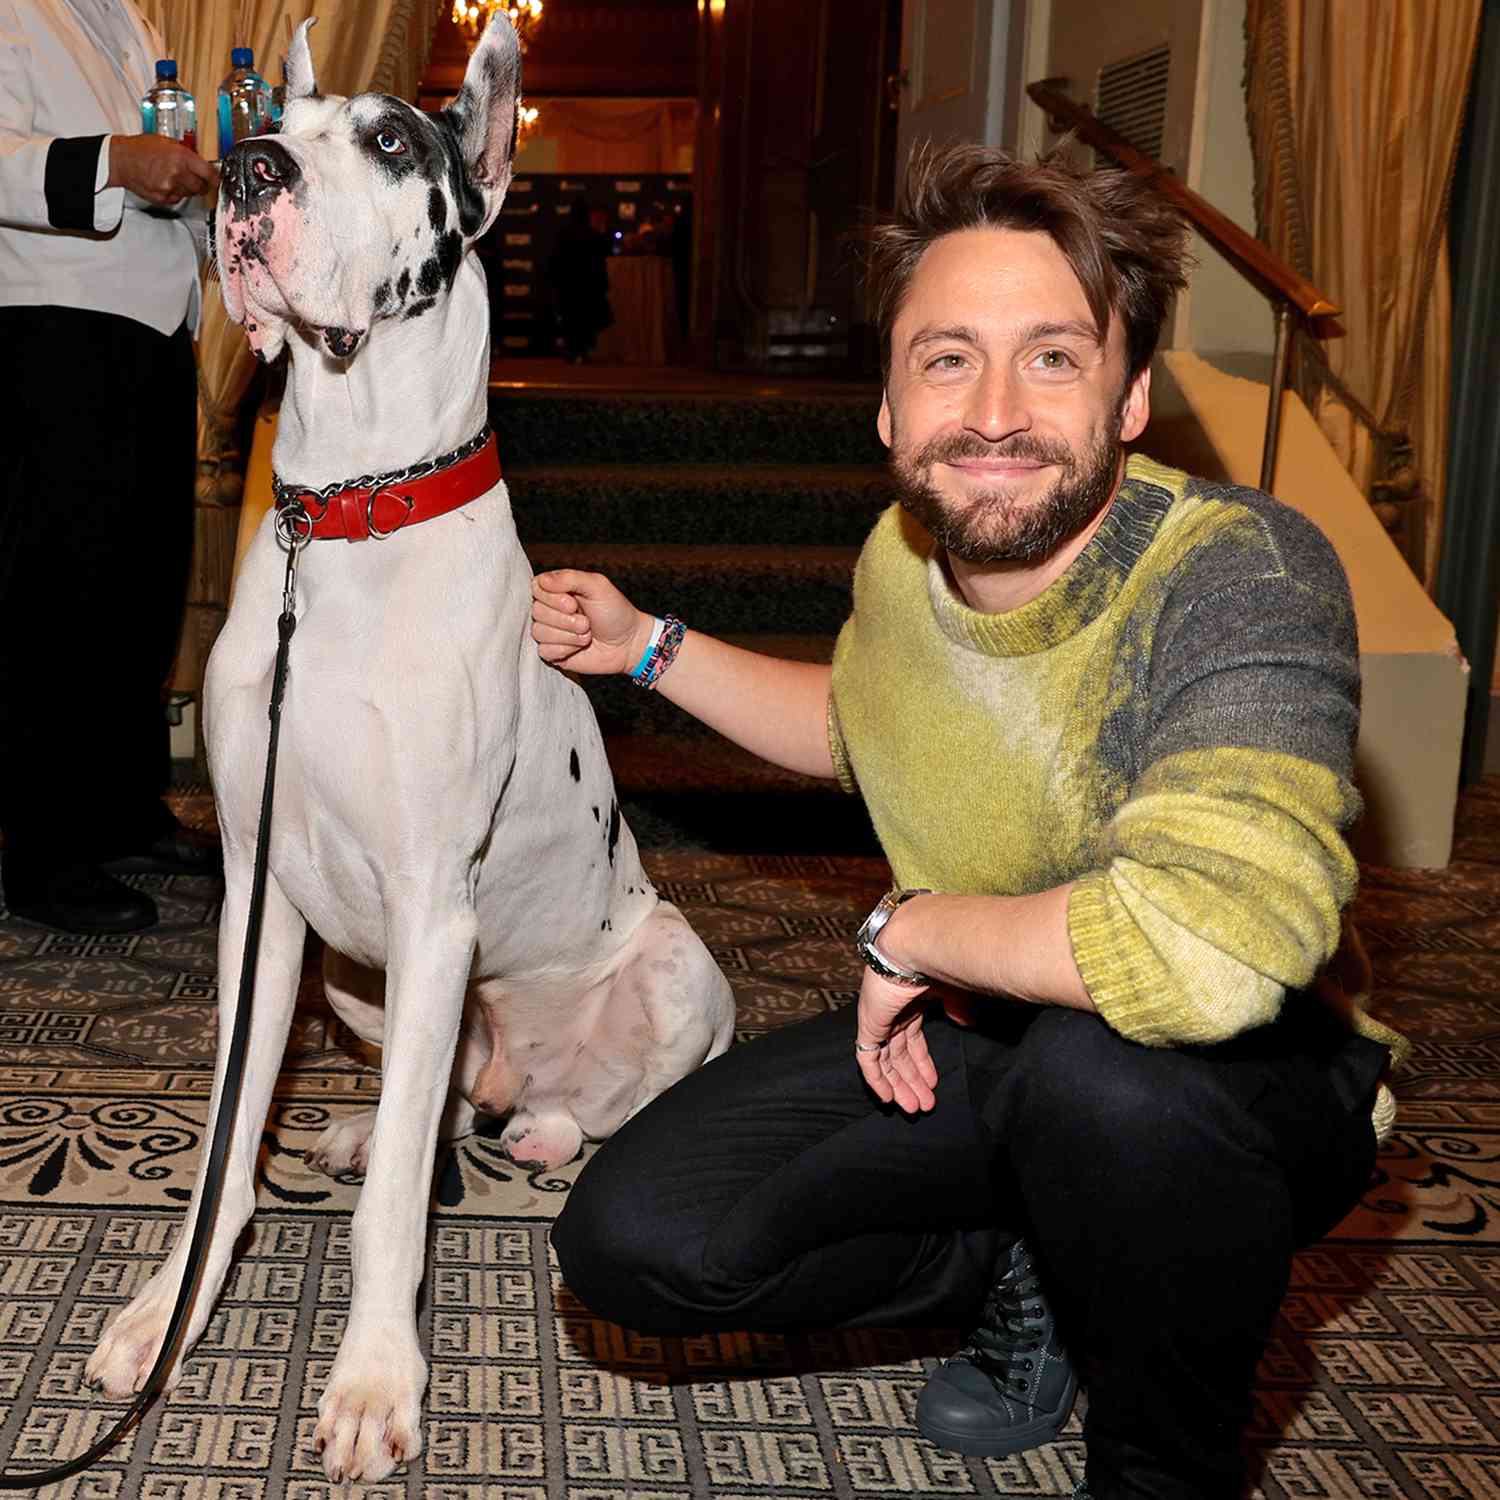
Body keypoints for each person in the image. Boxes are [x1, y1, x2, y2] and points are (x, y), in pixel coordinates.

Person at [528, 143, 1406, 1500]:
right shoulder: (906, 554)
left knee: (1107, 1091)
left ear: (1130, 396)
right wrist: (649, 646)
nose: (993, 410)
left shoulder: (1241, 571)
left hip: (1236, 1073)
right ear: (887, 407)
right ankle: (1049, 1256)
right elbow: (861, 725)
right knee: (640, 1241)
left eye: (1052, 357)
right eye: (947, 359)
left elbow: (1211, 951)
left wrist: (913, 931)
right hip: (989, 1036)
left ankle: (1159, 1456)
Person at [0, 0, 220, 935]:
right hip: (51, 325)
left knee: (138, 587)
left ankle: (119, 809)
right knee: (61, 592)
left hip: (156, 327)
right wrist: (109, 162)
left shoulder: (132, 16)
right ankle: (46, 855)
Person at [546, 195, 611, 363]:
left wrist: (556, 284)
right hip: (587, 288)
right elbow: (600, 261)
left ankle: (573, 350)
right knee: (585, 321)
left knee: (571, 321)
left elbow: (554, 261)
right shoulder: (592, 235)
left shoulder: (563, 234)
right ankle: (582, 350)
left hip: (568, 287)